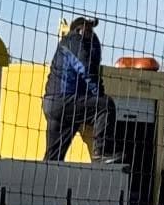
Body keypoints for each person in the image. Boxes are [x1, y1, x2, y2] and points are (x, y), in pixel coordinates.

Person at [42, 14, 118, 162]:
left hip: (53, 104)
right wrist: (98, 95)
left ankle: (41, 181)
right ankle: (101, 153)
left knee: (53, 157)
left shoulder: (65, 44)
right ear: (80, 30)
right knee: (105, 106)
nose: (92, 34)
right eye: (89, 30)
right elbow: (87, 68)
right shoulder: (74, 41)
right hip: (64, 101)